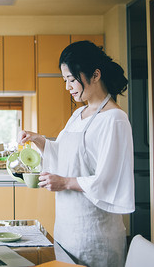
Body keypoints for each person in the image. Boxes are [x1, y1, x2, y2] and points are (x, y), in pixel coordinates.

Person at [18, 40, 135, 267]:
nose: (67, 86)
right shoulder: (79, 113)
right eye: (65, 80)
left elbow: (109, 180)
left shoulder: (115, 119)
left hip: (95, 233)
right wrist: (39, 140)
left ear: (95, 75)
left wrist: (64, 182)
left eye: (72, 79)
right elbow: (63, 154)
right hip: (67, 227)